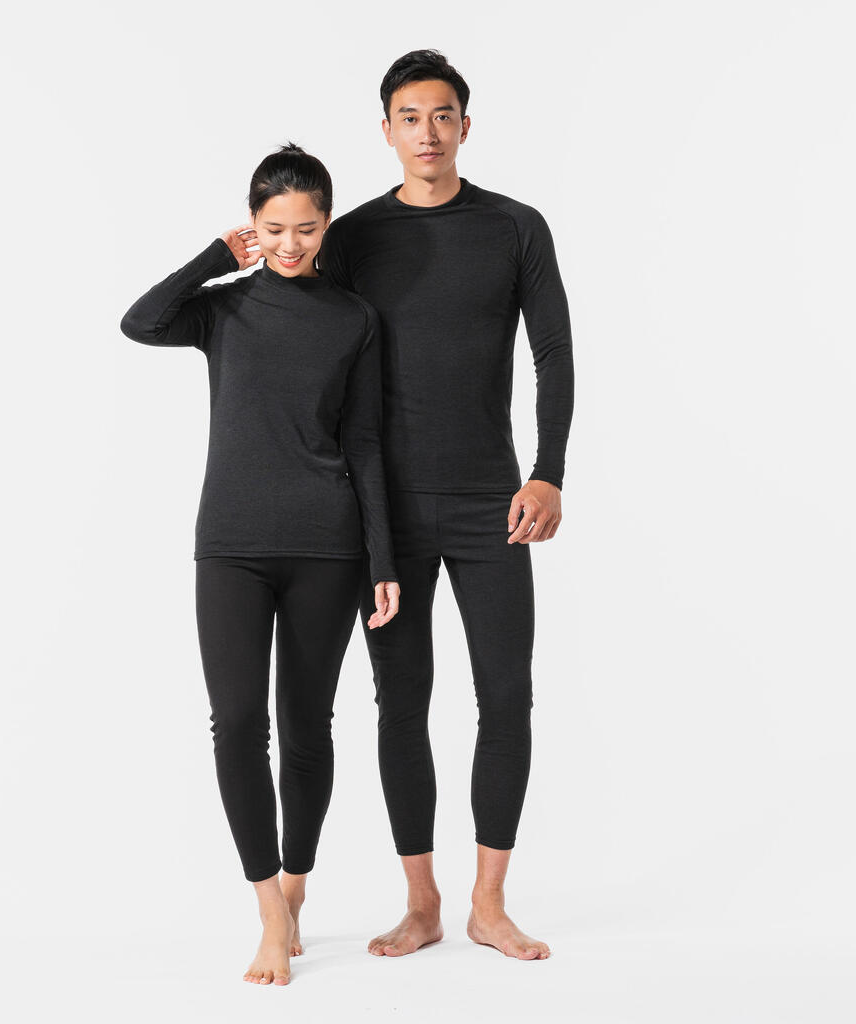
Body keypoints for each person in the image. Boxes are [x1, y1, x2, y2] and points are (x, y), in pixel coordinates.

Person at [119, 143, 401, 986]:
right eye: (274, 229)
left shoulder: (353, 318)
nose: (289, 244)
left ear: (326, 225)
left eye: (306, 228)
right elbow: (140, 321)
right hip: (232, 545)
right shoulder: (223, 309)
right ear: (253, 225)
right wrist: (214, 256)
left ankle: (297, 887)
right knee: (238, 723)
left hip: (327, 545)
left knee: (308, 727)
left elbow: (365, 443)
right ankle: (269, 908)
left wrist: (382, 559)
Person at [320, 50, 574, 961]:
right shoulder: (353, 237)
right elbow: (316, 360)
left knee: (507, 695)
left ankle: (488, 904)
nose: (426, 132)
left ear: (465, 125)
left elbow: (553, 352)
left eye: (441, 115)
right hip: (384, 512)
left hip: (490, 505)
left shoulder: (515, 227)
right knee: (401, 702)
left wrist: (547, 471)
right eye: (409, 116)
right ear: (386, 130)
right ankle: (422, 902)